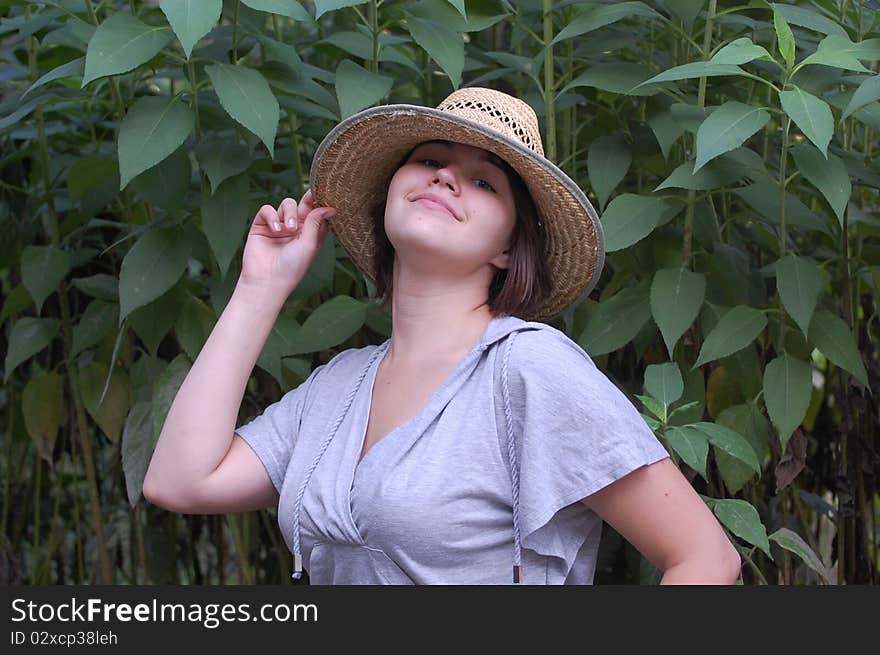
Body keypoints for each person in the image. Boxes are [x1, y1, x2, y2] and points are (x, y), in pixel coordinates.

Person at [143, 87, 743, 585]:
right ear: (390, 195)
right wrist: (260, 289)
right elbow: (179, 480)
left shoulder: (528, 369)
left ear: (509, 247)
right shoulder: (339, 387)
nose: (449, 178)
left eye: (485, 182)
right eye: (430, 160)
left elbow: (706, 558)